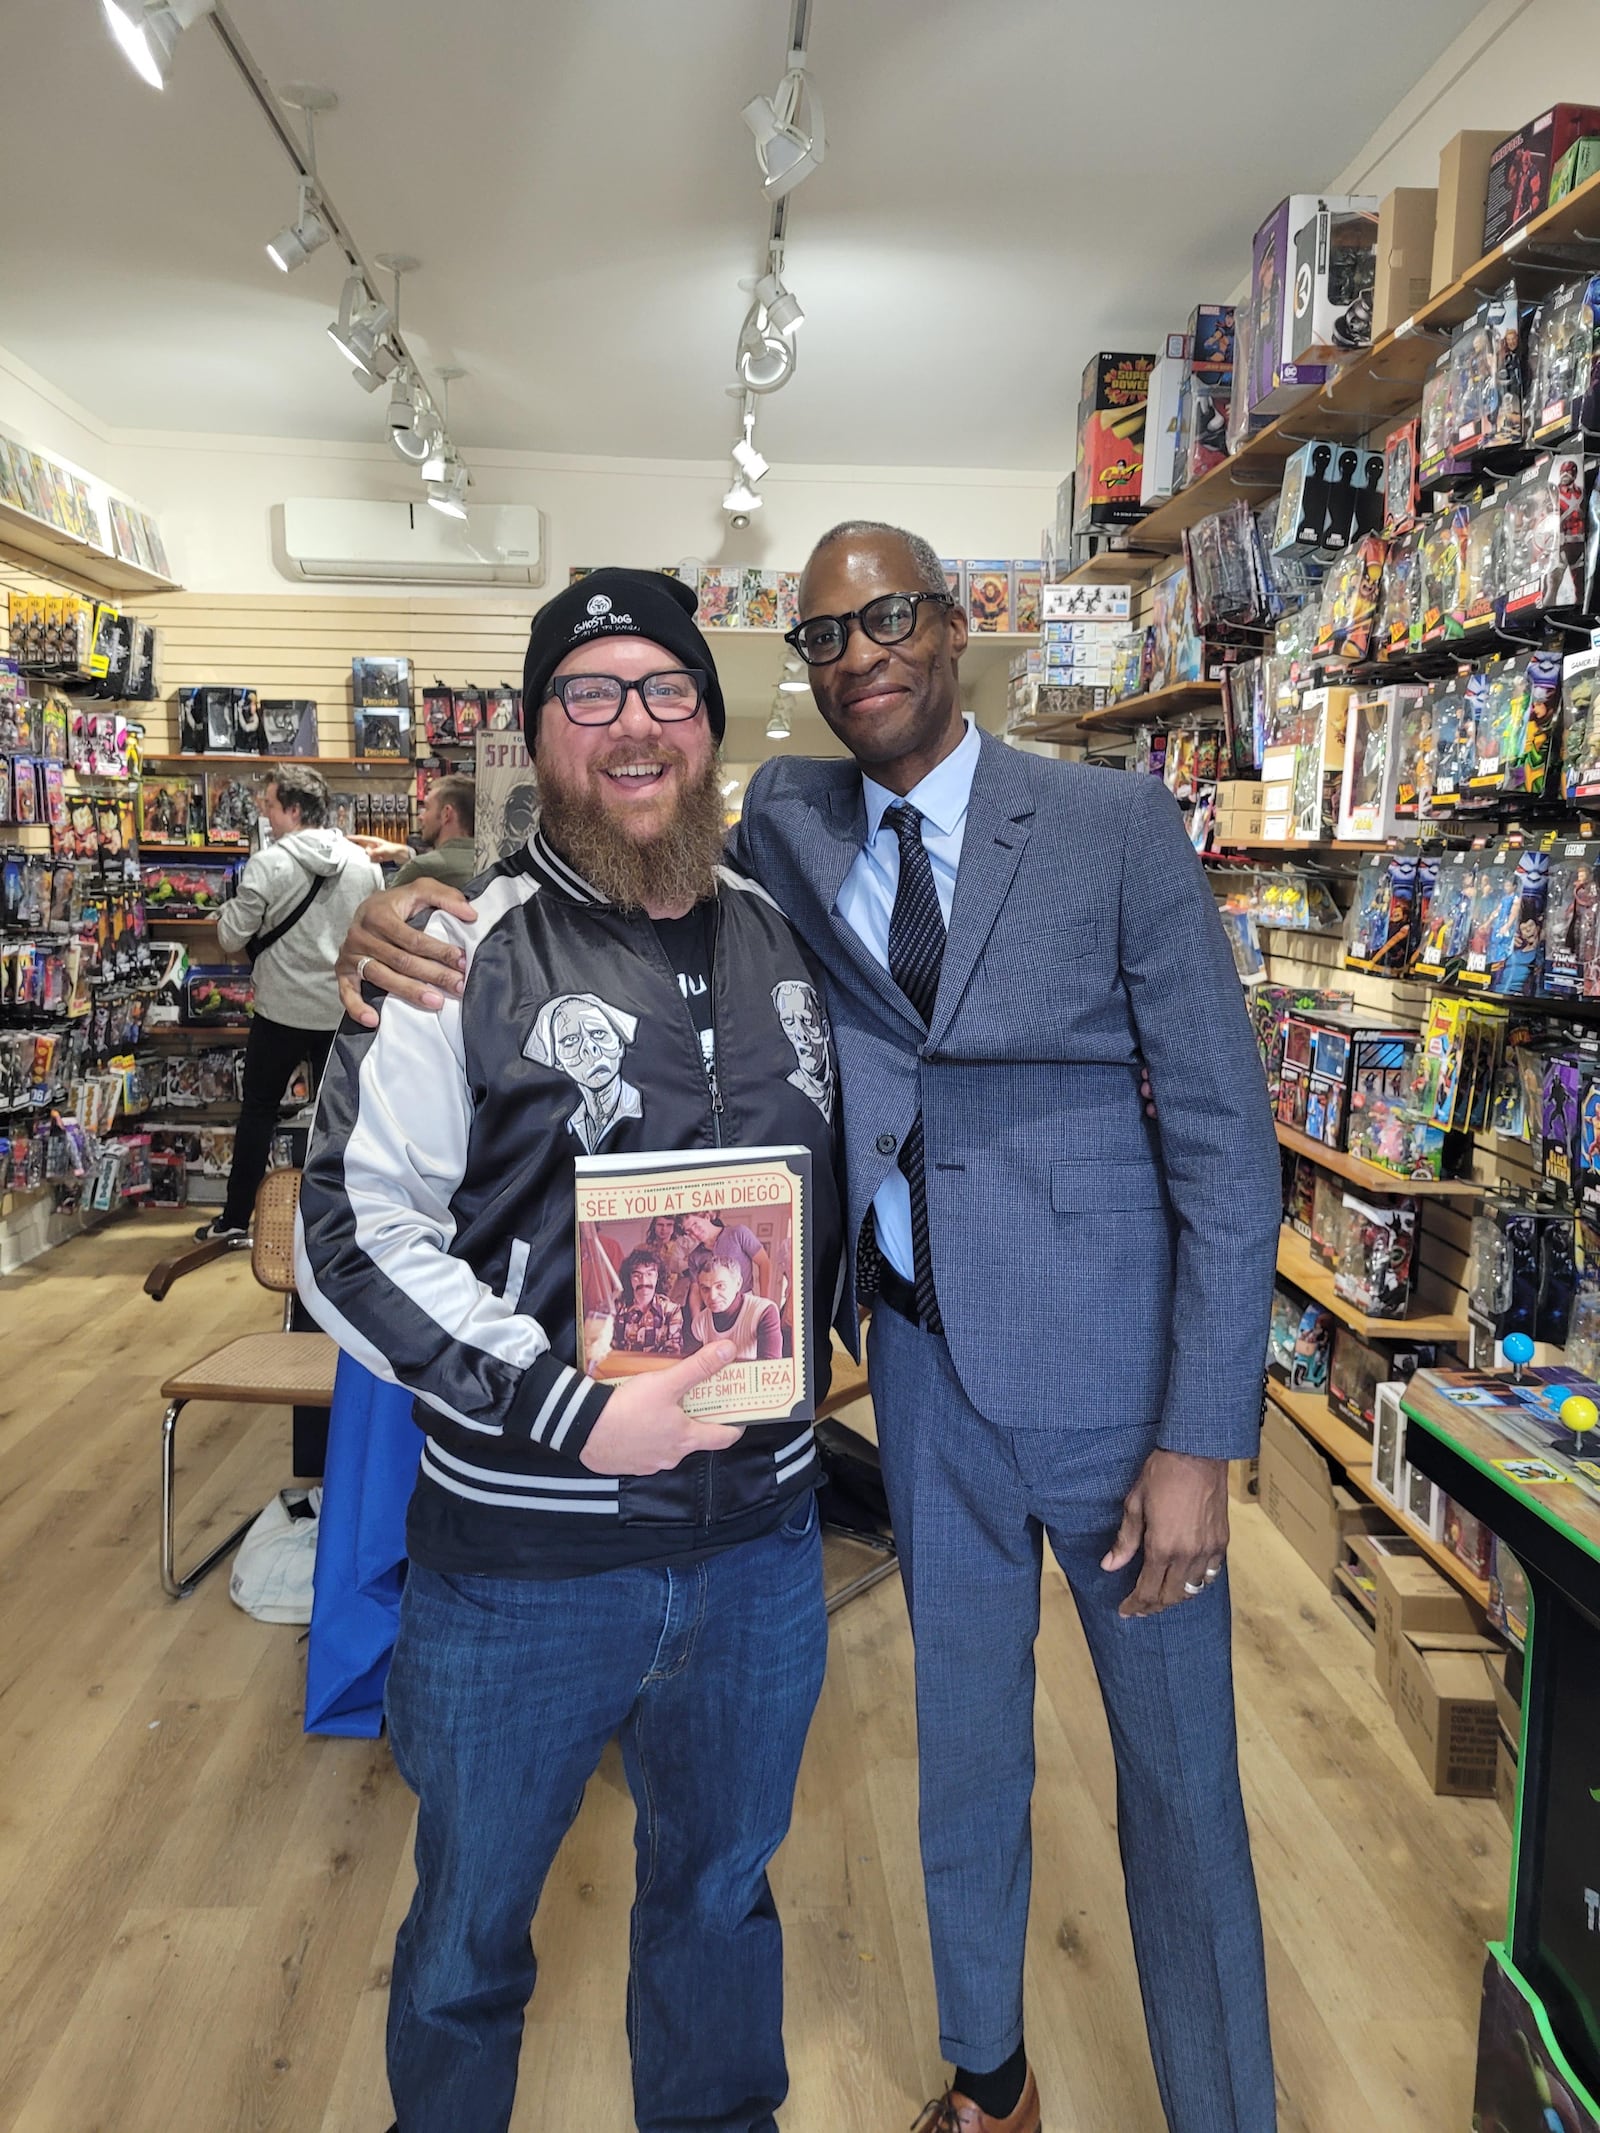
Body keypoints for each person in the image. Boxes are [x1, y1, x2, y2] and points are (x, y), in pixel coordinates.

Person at [334, 527, 1282, 2133]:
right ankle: (994, 2080)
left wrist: (1204, 1430)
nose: (864, 657)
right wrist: (402, 903)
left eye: (893, 617)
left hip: (1023, 1432)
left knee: (1145, 1803)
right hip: (762, 1447)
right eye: (828, 637)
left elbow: (1224, 1138)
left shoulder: (1049, 836)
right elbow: (371, 1212)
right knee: (935, 1772)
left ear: (959, 626)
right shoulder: (640, 880)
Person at [295, 568, 845, 2133]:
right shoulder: (456, 951)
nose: (631, 727)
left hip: (759, 1552)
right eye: (587, 695)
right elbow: (353, 1231)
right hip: (525, 1561)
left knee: (724, 1906)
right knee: (468, 1934)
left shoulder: (784, 936)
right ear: (534, 734)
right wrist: (558, 1408)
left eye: (665, 690)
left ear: (711, 725)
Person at [195, 764, 383, 1243]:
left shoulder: (269, 863)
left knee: (258, 1112)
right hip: (343, 1011)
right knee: (342, 1121)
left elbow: (230, 934)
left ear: (294, 810)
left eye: (271, 805)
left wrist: (229, 913)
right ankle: (338, 1226)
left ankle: (237, 1219)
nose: (266, 812)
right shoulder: (363, 864)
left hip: (280, 1011)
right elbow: (376, 934)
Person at [357, 772, 479, 890]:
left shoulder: (421, 870)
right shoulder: (489, 862)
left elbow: (380, 908)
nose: (420, 817)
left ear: (446, 814)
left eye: (426, 808)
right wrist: (408, 853)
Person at [685, 1254, 781, 1362]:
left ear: (738, 1284)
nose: (712, 1296)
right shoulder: (699, 1323)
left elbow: (769, 1368)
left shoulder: (764, 1311)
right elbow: (692, 1367)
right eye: (705, 1289)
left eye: (720, 1286)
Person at [612, 1246, 685, 1357]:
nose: (644, 1281)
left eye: (649, 1274)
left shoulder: (672, 1311)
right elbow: (609, 1349)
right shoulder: (617, 1309)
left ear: (658, 1277)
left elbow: (674, 1352)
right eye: (637, 1275)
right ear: (629, 1279)